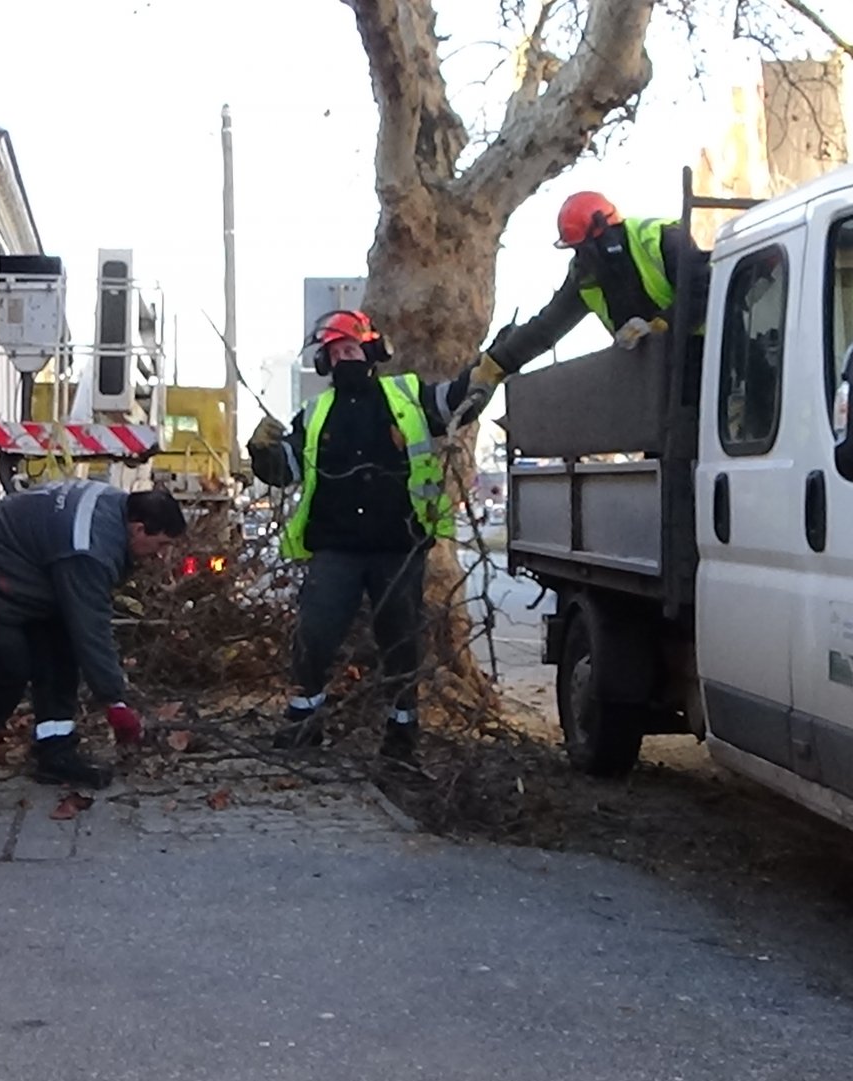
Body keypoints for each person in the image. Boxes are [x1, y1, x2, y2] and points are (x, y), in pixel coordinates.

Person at [247, 309, 528, 764]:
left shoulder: (408, 395)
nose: (344, 359)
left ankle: (402, 734)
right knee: (314, 636)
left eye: (351, 350)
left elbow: (460, 400)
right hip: (335, 547)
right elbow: (286, 469)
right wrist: (263, 454)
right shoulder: (314, 414)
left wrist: (494, 362)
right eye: (336, 354)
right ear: (326, 363)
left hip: (397, 545)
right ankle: (304, 722)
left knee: (400, 642)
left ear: (373, 351)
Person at [0, 480, 187, 794]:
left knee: (60, 654)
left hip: (25, 574)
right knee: (11, 666)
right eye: (161, 544)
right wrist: (114, 701)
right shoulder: (88, 549)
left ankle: (55, 753)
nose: (162, 555)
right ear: (137, 529)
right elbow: (92, 629)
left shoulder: (113, 507)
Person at [491, 191, 711, 363]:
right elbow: (545, 329)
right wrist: (494, 366)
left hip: (715, 352)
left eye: (583, 248)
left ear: (605, 238)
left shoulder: (659, 238)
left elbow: (703, 291)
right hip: (658, 377)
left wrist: (660, 326)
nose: (580, 257)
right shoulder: (586, 277)